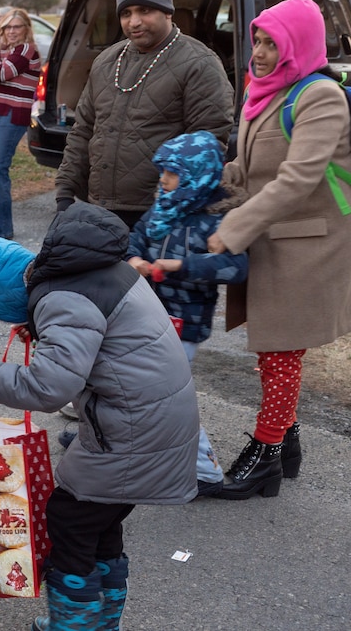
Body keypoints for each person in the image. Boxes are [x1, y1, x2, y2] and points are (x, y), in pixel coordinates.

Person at [0, 205, 199, 631]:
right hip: (153, 421)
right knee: (97, 522)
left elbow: (47, 388)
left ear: (2, 296)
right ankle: (100, 623)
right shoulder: (89, 269)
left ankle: (76, 625)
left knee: (68, 521)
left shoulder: (62, 299)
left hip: (133, 433)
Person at [207, 0, 351, 500]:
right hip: (274, 234)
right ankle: (286, 443)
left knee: (282, 351)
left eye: (273, 43)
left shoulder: (320, 97)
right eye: (259, 41)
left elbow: (297, 178)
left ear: (299, 45)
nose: (261, 53)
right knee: (274, 349)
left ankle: (265, 455)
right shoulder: (263, 92)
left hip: (310, 241)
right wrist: (206, 185)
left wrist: (234, 228)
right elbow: (252, 169)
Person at [55, 0, 235, 229]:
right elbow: (83, 131)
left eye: (144, 10)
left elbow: (208, 145)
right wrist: (64, 191)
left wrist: (171, 208)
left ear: (167, 11)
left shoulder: (200, 63)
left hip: (160, 214)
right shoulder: (106, 61)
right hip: (99, 207)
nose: (134, 21)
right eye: (126, 13)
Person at [124, 130, 248, 497]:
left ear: (196, 176)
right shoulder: (162, 207)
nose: (163, 180)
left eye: (171, 173)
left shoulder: (216, 221)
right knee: (136, 388)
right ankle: (124, 449)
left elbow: (235, 267)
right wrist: (132, 258)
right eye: (162, 172)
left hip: (184, 324)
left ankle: (204, 469)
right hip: (148, 318)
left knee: (166, 397)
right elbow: (136, 236)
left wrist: (181, 265)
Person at [0, 8, 42, 239]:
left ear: (26, 29)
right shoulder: (3, 53)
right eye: (7, 27)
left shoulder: (27, 50)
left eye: (16, 27)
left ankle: (3, 230)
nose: (11, 32)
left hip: (12, 115)